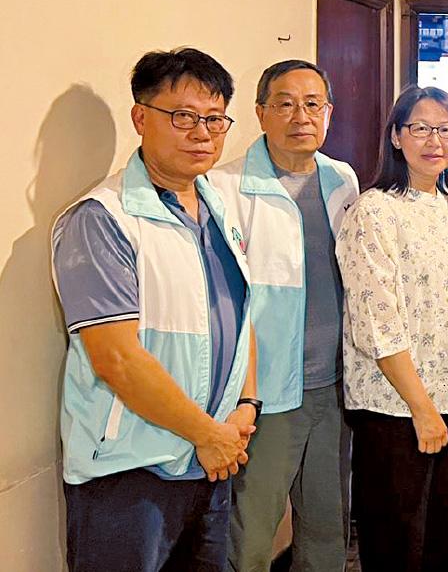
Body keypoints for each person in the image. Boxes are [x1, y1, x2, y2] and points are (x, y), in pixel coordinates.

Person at [53, 48, 258, 572]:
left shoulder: (217, 205)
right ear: (140, 117)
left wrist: (246, 405)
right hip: (131, 471)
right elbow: (117, 359)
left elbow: (242, 315)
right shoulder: (103, 218)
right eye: (183, 117)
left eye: (214, 119)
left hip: (210, 460)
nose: (202, 133)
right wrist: (208, 434)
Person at [211, 60, 359, 572]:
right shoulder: (224, 187)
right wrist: (244, 396)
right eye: (286, 104)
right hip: (265, 394)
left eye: (313, 104)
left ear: (328, 112)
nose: (301, 116)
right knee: (251, 532)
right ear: (261, 113)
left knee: (327, 527)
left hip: (334, 388)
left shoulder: (342, 179)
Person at [336, 86, 448, 570]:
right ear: (396, 137)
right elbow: (376, 323)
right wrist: (422, 408)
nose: (434, 141)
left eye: (446, 130)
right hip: (397, 409)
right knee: (397, 546)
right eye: (420, 128)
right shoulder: (373, 211)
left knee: (444, 540)